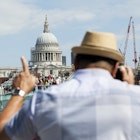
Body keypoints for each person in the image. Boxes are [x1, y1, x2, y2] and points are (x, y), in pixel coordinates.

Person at [0, 30, 139, 140]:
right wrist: (129, 89)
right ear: (116, 67)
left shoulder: (43, 100)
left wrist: (20, 91)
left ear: (76, 63)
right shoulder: (136, 98)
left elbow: (3, 134)